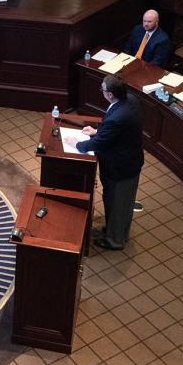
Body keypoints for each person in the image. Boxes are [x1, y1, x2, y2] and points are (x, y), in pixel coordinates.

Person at [76, 75, 144, 251]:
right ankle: (120, 232)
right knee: (124, 203)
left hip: (120, 167)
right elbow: (114, 131)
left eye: (103, 89)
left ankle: (115, 240)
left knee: (117, 202)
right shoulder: (130, 99)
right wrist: (97, 131)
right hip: (129, 161)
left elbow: (101, 142)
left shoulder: (118, 117)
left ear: (111, 94)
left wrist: (78, 144)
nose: (102, 92)